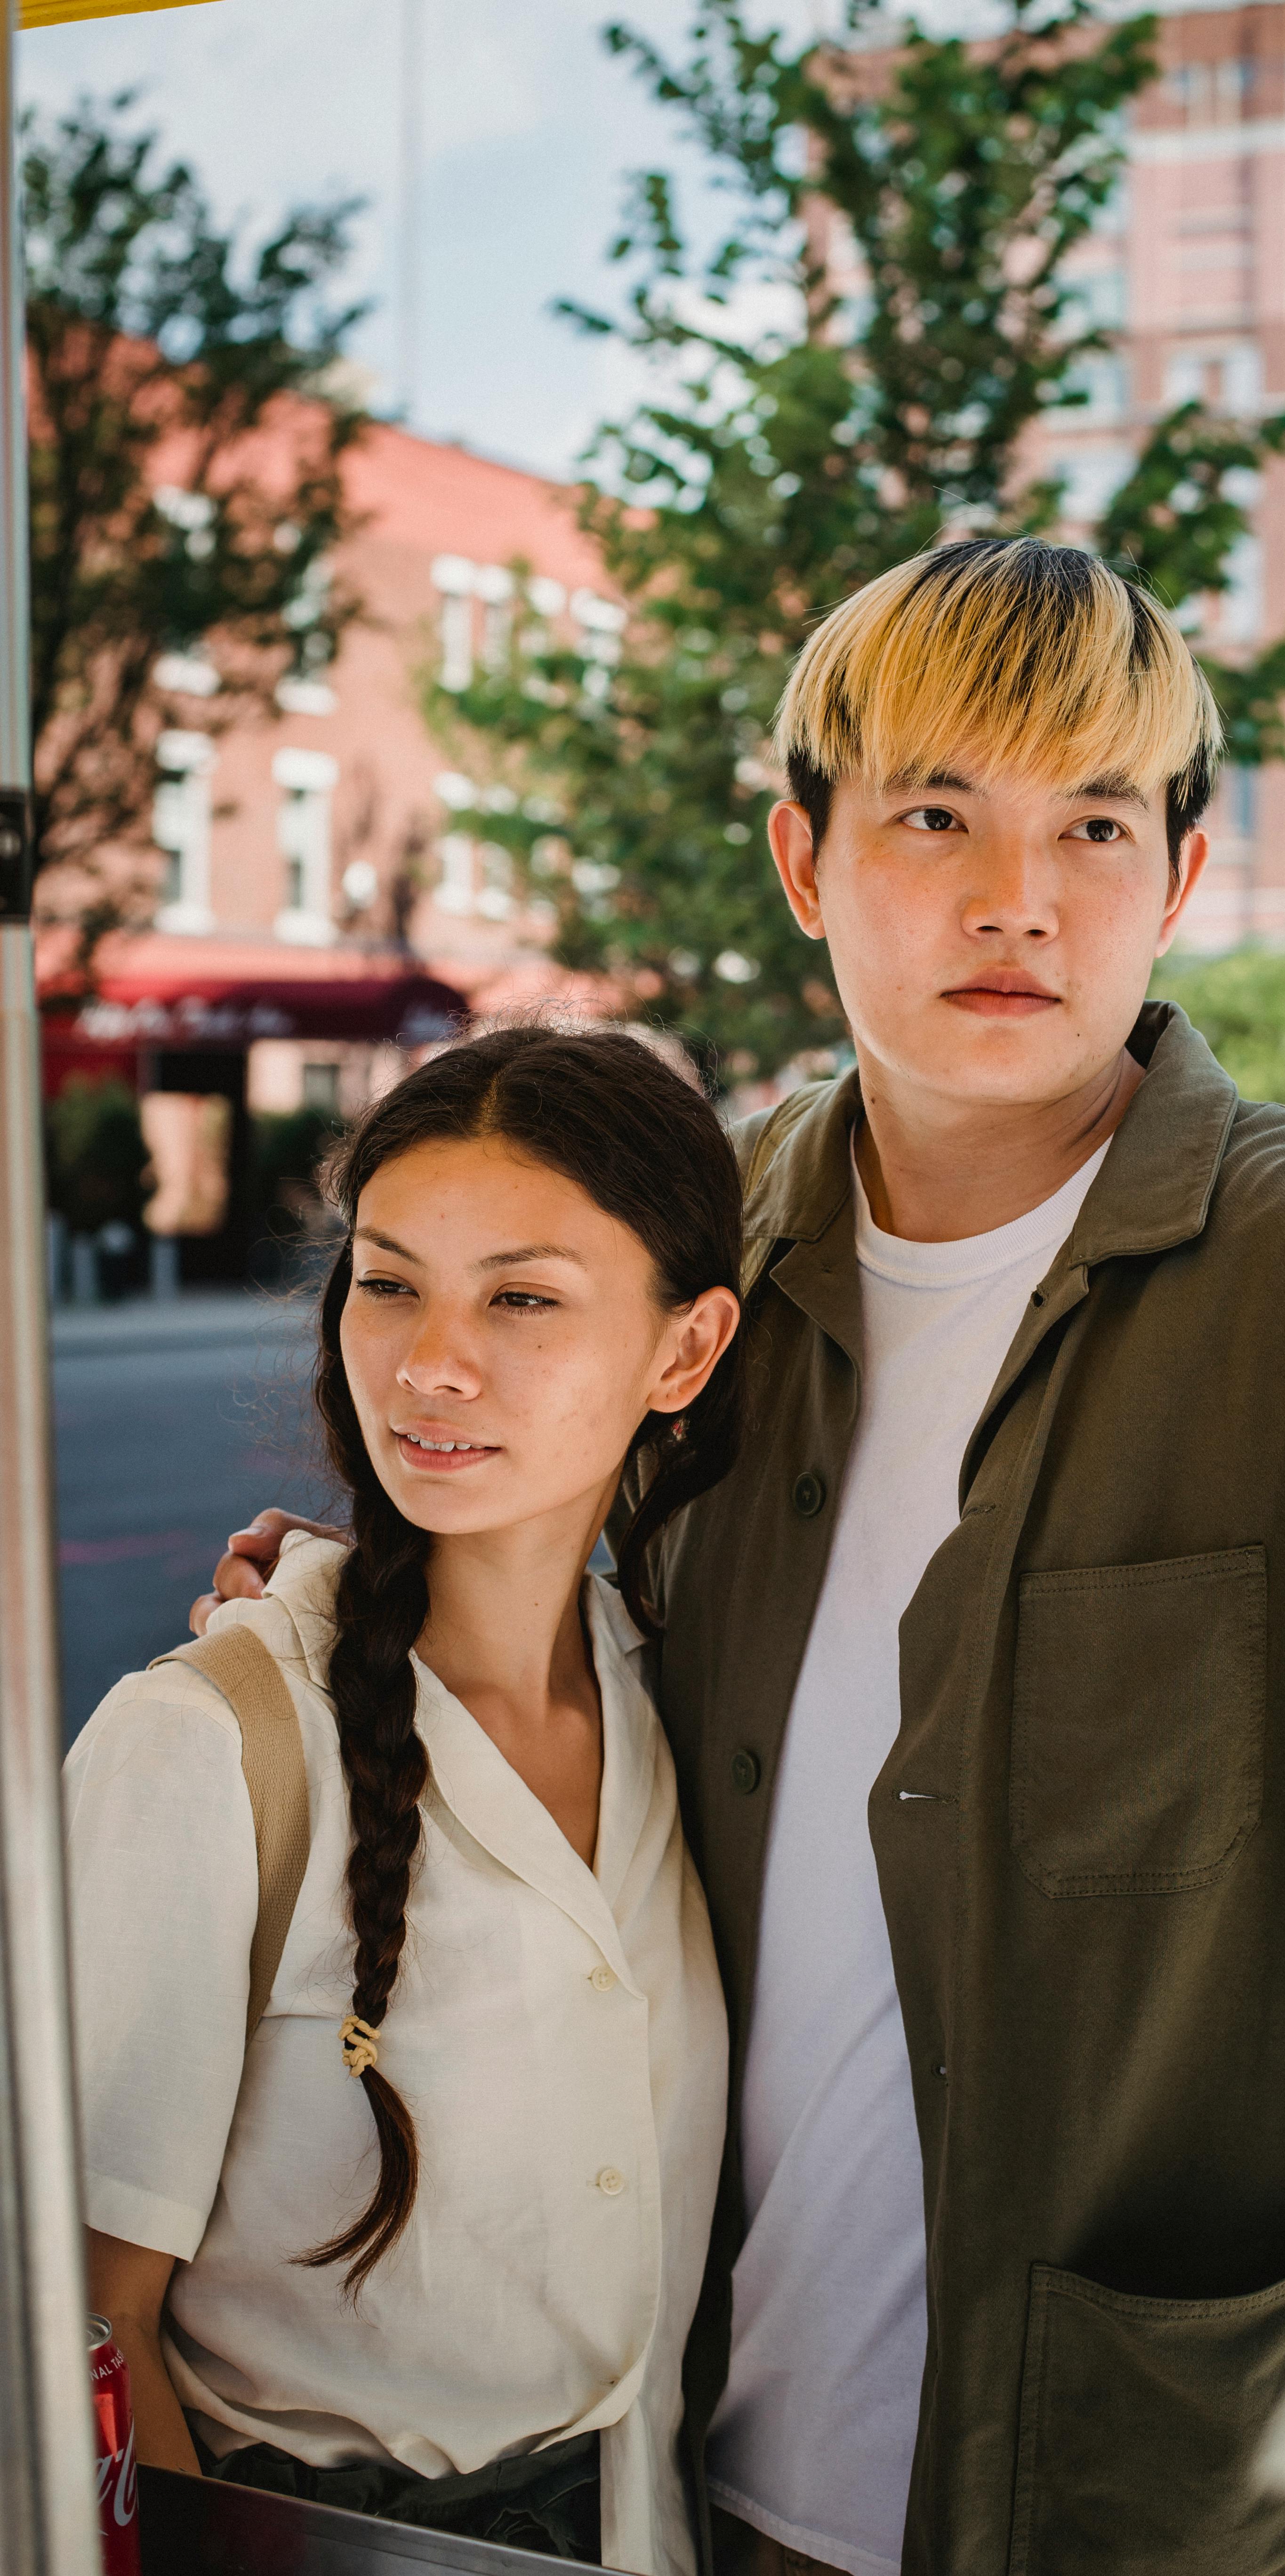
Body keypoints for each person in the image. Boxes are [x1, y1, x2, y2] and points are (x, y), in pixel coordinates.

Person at [201, 538, 1285, 2576]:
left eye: (1095, 822)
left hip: (1192, 2503)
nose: (1019, 896)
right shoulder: (700, 1250)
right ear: (804, 859)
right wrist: (360, 1602)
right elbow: (555, 1626)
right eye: (936, 813)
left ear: (1180, 884)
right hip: (704, 2469)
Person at [72, 1026, 742, 2575]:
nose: (432, 1363)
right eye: (389, 1282)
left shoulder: (680, 1703)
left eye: (520, 1297)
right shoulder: (205, 1747)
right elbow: (79, 2321)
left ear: (685, 1352)